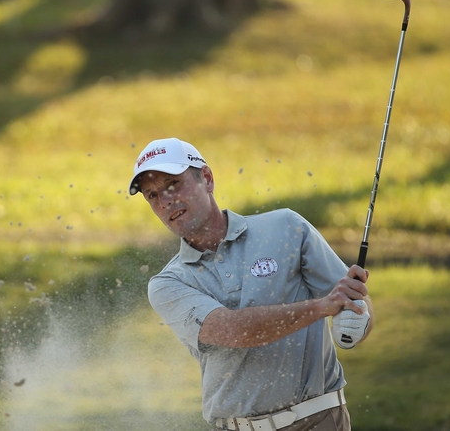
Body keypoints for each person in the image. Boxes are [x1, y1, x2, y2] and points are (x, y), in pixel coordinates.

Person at [129, 137, 374, 431]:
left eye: (173, 184)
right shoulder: (168, 283)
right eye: (152, 195)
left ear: (206, 178)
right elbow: (233, 331)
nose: (165, 200)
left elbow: (352, 298)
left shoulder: (286, 228)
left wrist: (358, 317)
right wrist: (322, 307)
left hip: (319, 420)